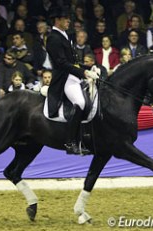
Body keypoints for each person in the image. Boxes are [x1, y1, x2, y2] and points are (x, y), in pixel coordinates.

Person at [46, 6, 99, 155]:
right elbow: (62, 63)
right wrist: (84, 73)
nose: (69, 21)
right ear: (57, 20)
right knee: (80, 103)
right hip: (64, 78)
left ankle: (86, 138)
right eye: (65, 19)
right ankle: (70, 142)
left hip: (73, 75)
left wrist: (89, 68)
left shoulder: (65, 35)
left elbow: (73, 62)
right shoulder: (53, 38)